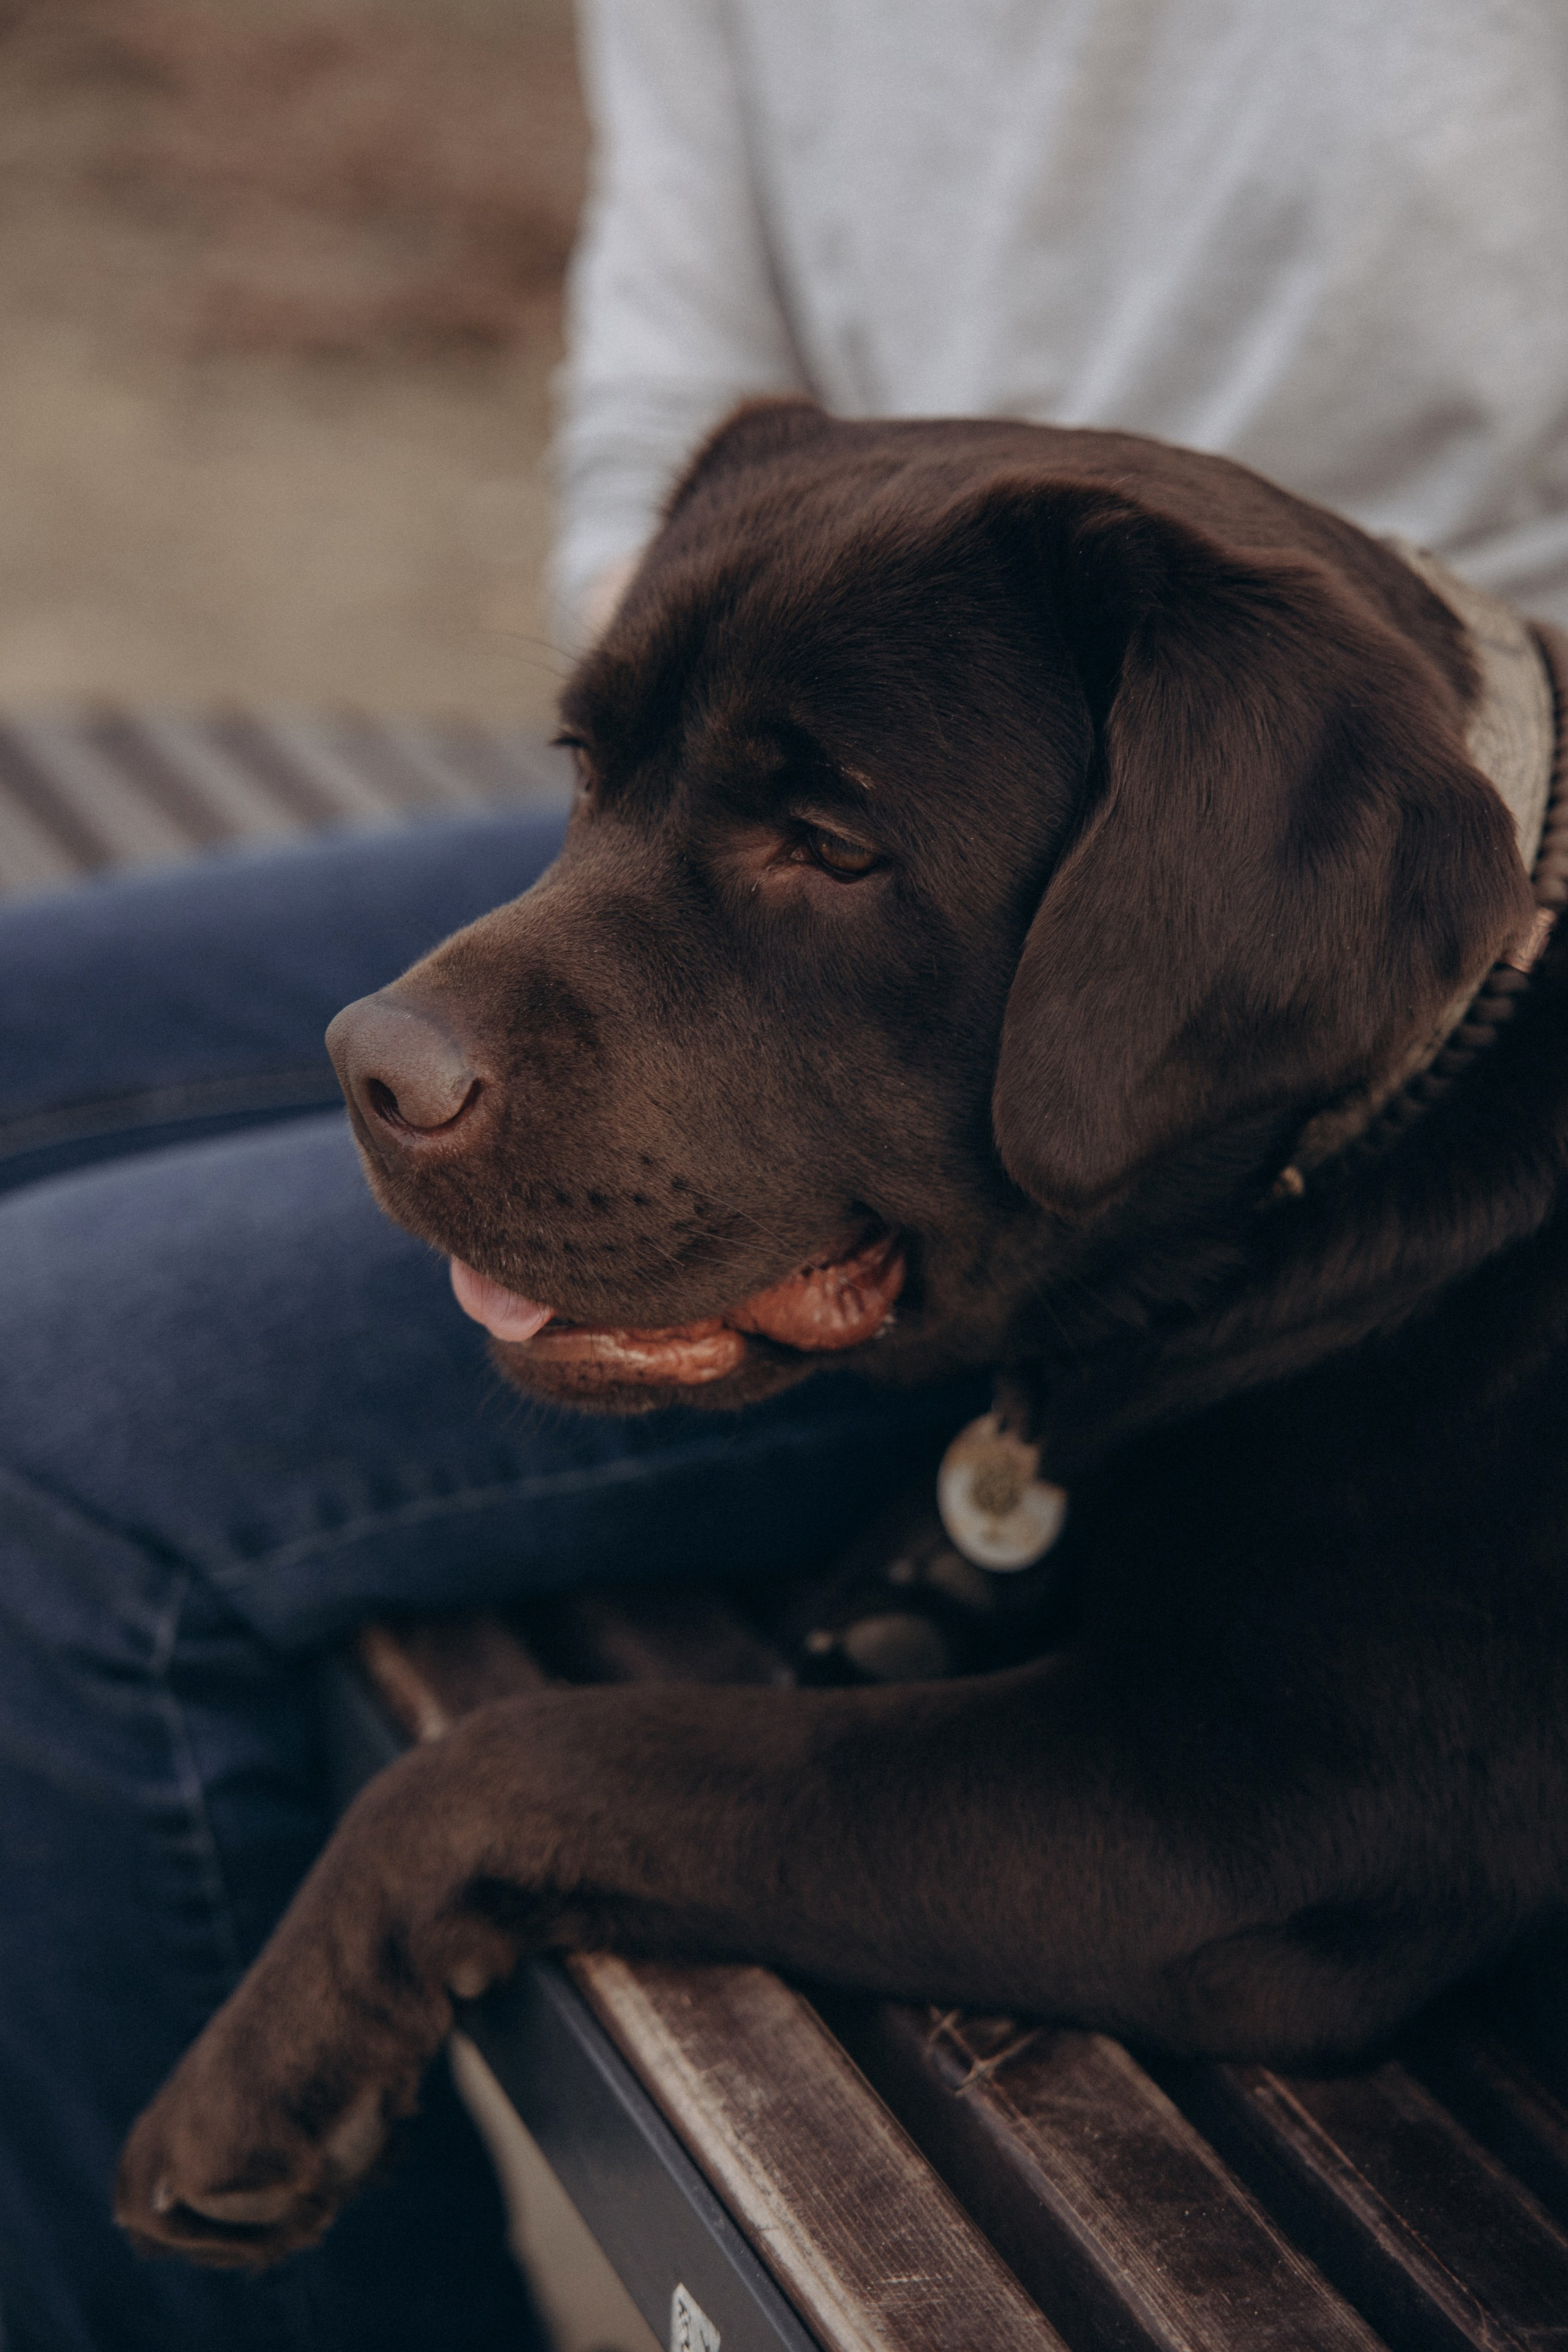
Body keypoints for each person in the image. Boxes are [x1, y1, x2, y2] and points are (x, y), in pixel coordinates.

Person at [2, 5, 1564, 2344]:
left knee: (48, 1433)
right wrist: (736, 753)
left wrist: (499, 1814)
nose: (405, 1047)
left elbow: (1273, 1850)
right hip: (866, 628)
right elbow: (673, 395)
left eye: (796, 855)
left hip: (1289, 789)